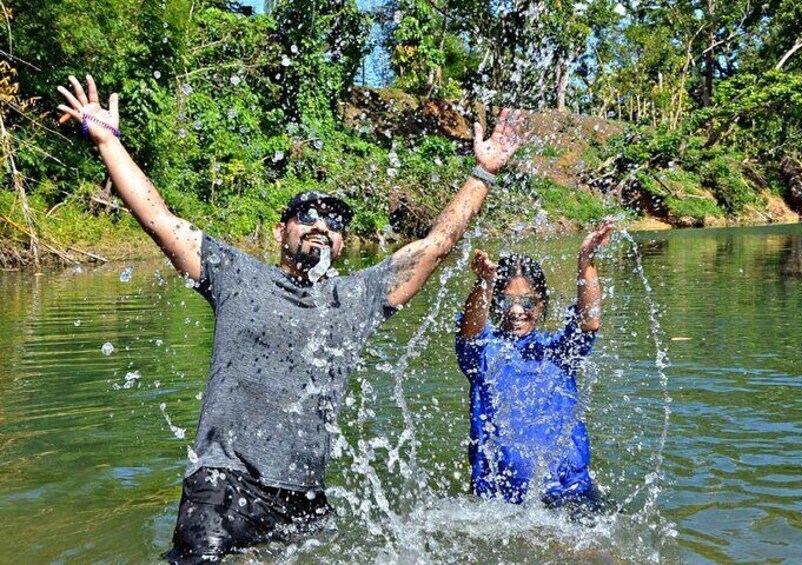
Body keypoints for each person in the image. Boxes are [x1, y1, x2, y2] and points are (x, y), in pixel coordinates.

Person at [57, 74, 527, 562]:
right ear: (282, 231)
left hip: (305, 500)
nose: (322, 225)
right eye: (307, 215)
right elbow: (159, 218)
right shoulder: (235, 275)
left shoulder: (358, 298)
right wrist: (108, 142)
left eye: (336, 222)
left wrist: (483, 174)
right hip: (224, 487)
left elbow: (435, 247)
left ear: (343, 243)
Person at [455, 220, 613, 509]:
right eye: (505, 301)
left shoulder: (559, 351)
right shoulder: (482, 353)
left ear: (541, 305)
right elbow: (469, 331)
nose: (517, 311)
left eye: (528, 302)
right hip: (498, 504)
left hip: (572, 495)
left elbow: (589, 320)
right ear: (493, 304)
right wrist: (484, 284)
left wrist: (586, 260)